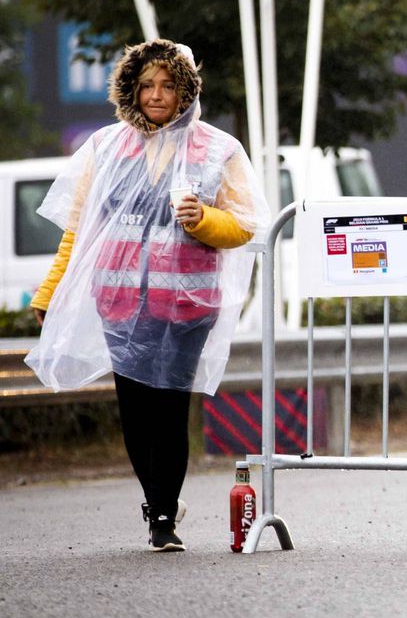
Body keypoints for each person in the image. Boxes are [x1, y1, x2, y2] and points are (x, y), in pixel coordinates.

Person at [27, 39, 268, 551]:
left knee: (168, 409)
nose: (156, 95)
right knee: (135, 413)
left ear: (186, 91)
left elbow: (245, 225)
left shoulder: (218, 149)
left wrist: (205, 221)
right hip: (118, 302)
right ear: (131, 90)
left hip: (185, 306)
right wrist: (51, 288)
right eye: (146, 85)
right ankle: (157, 498)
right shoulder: (106, 146)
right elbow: (80, 228)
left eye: (167, 85)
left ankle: (162, 521)